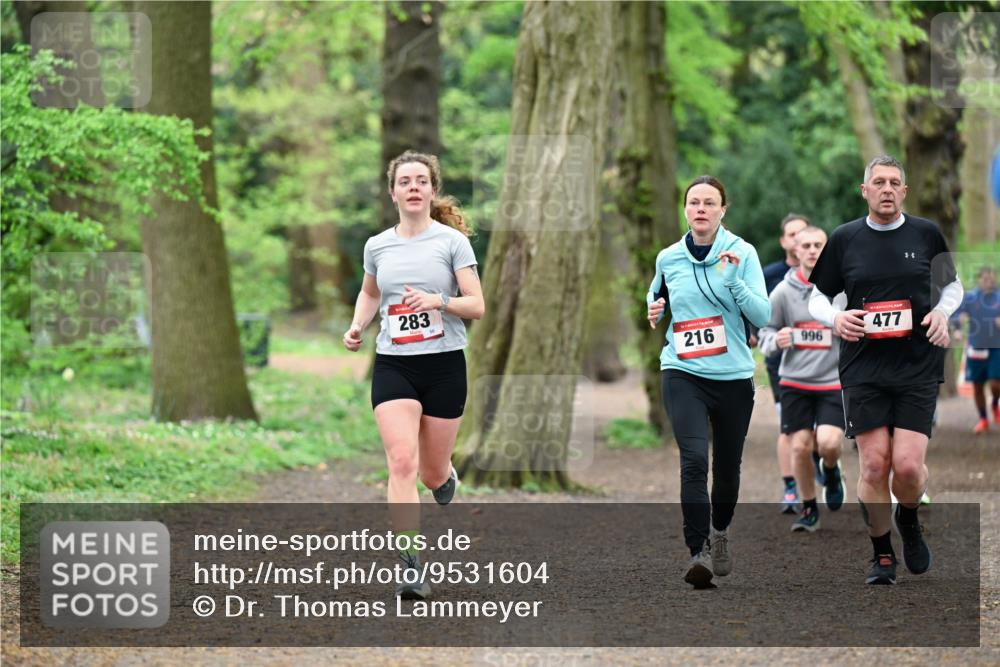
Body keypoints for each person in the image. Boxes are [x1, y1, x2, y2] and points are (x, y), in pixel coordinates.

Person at [808, 155, 963, 585]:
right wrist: (835, 319)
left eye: (895, 182)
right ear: (865, 191)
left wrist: (943, 313)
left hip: (917, 365)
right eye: (879, 182)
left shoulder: (926, 233)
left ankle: (908, 519)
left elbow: (952, 285)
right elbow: (816, 297)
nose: (888, 188)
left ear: (905, 191)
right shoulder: (845, 239)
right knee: (875, 466)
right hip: (863, 367)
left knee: (909, 469)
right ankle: (881, 556)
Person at [343, 150, 485, 599]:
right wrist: (356, 325)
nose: (413, 187)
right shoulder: (377, 245)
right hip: (394, 364)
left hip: (444, 365)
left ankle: (445, 476)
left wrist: (437, 302)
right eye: (405, 181)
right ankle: (410, 566)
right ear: (393, 193)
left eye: (421, 180)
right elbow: (369, 294)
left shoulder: (451, 243)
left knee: (429, 473)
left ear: (432, 190)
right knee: (401, 462)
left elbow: (476, 305)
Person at [647, 175, 770, 589]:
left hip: (734, 375)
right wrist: (655, 310)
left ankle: (720, 532)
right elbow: (655, 298)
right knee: (694, 460)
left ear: (722, 210)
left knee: (728, 467)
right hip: (682, 371)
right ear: (686, 209)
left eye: (709, 203)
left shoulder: (743, 253)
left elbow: (764, 314)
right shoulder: (668, 257)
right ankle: (697, 551)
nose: (700, 208)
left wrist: (733, 281)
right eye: (693, 202)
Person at [759, 226, 847, 533]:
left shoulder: (842, 291)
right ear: (796, 251)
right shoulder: (782, 292)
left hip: (832, 381)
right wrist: (777, 340)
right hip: (795, 381)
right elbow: (764, 334)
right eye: (806, 245)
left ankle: (832, 471)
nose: (811, 250)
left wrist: (844, 329)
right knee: (799, 447)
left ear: (827, 250)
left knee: (829, 442)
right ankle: (809, 508)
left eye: (818, 245)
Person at [761, 214, 811, 513]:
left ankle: (818, 465)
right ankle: (790, 487)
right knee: (788, 427)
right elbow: (755, 310)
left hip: (819, 363)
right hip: (782, 362)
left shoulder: (824, 273)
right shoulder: (769, 275)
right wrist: (757, 334)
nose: (796, 239)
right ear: (783, 241)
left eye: (802, 233)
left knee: (816, 431)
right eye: (791, 234)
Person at [951, 265, 1000, 433]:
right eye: (986, 279)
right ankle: (984, 419)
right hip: (976, 347)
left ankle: (994, 403)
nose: (989, 282)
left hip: (996, 347)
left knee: (995, 384)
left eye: (991, 278)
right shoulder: (971, 298)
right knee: (977, 386)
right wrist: (958, 328)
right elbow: (957, 315)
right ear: (979, 280)